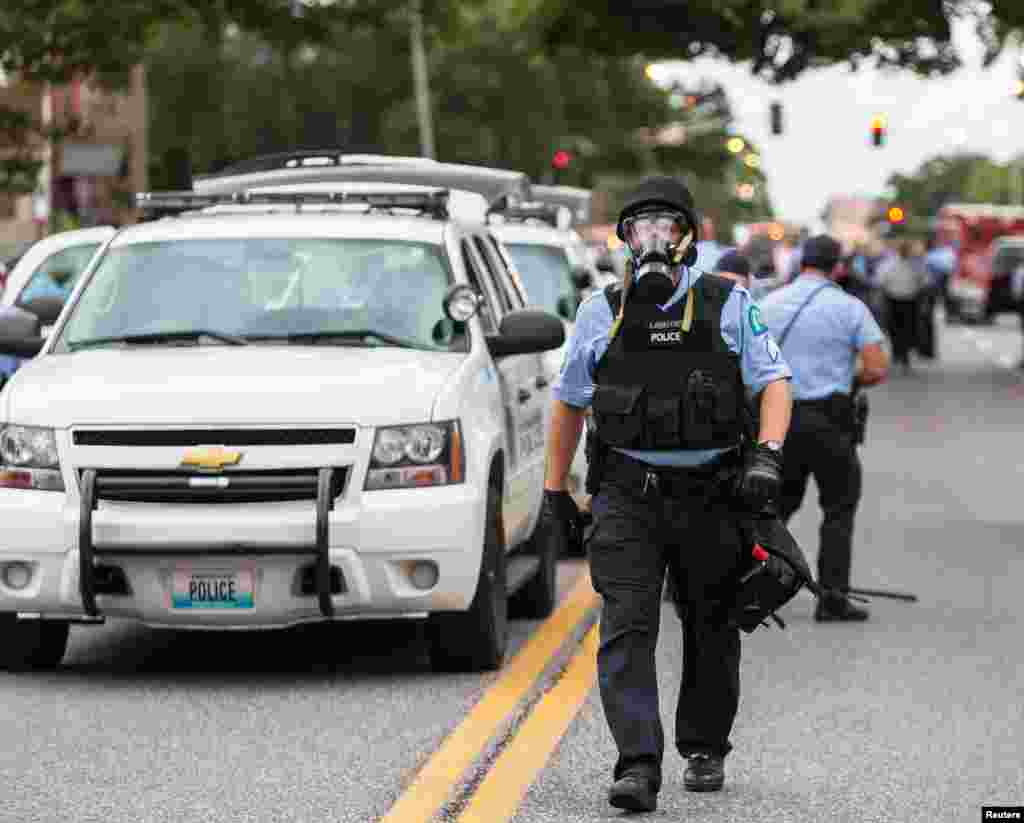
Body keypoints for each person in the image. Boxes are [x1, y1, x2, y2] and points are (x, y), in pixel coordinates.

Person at [541, 176, 793, 812]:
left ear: (688, 237)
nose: (653, 239)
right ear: (625, 239)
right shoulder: (602, 310)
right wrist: (555, 491)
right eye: (640, 227)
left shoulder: (727, 304)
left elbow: (775, 382)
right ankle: (638, 763)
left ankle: (705, 745)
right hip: (628, 495)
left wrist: (766, 456)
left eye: (666, 226)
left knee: (711, 625)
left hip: (711, 494)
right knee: (626, 627)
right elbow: (569, 403)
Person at [758, 235, 890, 623]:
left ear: (802, 263)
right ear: (839, 267)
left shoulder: (768, 304)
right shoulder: (851, 309)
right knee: (837, 510)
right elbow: (876, 366)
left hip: (779, 420)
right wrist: (849, 379)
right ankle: (832, 599)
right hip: (831, 421)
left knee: (775, 508)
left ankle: (759, 591)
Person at [877, 238, 928, 373]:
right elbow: (881, 280)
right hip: (893, 299)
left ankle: (903, 355)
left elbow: (924, 280)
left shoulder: (916, 264)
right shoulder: (889, 263)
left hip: (910, 300)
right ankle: (898, 353)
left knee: (907, 329)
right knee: (894, 328)